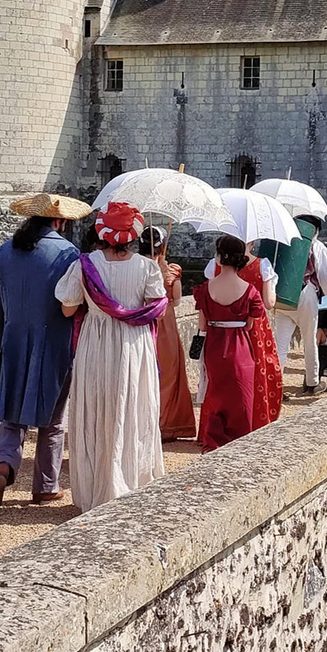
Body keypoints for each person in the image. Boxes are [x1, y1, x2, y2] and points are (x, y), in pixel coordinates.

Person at [56, 202, 167, 514]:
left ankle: (96, 488)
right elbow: (157, 305)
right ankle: (131, 482)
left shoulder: (85, 265)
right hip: (133, 345)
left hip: (97, 341)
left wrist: (94, 307)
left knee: (96, 409)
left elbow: (67, 307)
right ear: (133, 235)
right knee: (131, 407)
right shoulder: (148, 267)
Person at [0, 193, 87, 509]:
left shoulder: (6, 250)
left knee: (12, 419)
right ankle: (45, 486)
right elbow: (74, 303)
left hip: (15, 341)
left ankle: (3, 466)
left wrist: (0, 339)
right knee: (53, 422)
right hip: (54, 342)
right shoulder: (68, 254)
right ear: (60, 222)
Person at [194, 235, 268, 450]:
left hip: (214, 346)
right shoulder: (250, 291)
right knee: (241, 397)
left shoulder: (205, 288)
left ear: (219, 257)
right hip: (239, 346)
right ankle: (239, 444)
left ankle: (213, 442)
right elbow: (250, 325)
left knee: (215, 394)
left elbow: (202, 326)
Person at [263, 214, 327, 394]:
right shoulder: (316, 246)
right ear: (315, 230)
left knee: (280, 344)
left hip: (283, 294)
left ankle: (274, 385)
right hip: (306, 293)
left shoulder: (284, 241)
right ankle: (312, 381)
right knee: (310, 338)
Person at [206, 241, 280, 427]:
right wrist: (273, 284)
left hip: (219, 328)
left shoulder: (215, 265)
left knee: (219, 377)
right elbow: (269, 303)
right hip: (253, 327)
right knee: (255, 371)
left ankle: (217, 424)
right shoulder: (262, 265)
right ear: (253, 242)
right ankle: (255, 419)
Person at [143, 226, 196, 442]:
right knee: (169, 372)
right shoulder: (172, 270)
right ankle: (166, 424)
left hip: (143, 321)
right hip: (166, 323)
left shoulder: (137, 266)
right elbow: (177, 300)